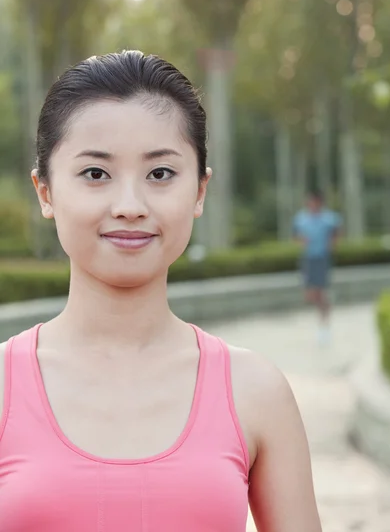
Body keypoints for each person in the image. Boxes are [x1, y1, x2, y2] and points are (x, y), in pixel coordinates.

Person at [0, 51, 322, 531]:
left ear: (199, 191)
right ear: (45, 191)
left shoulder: (255, 391)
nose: (130, 205)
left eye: (160, 174)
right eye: (95, 174)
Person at [293, 190, 342, 345]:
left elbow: (336, 232)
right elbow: (295, 235)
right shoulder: (301, 219)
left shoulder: (329, 218)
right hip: (308, 258)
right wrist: (301, 241)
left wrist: (332, 244)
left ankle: (324, 324)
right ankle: (325, 306)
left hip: (322, 258)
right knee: (310, 294)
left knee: (320, 292)